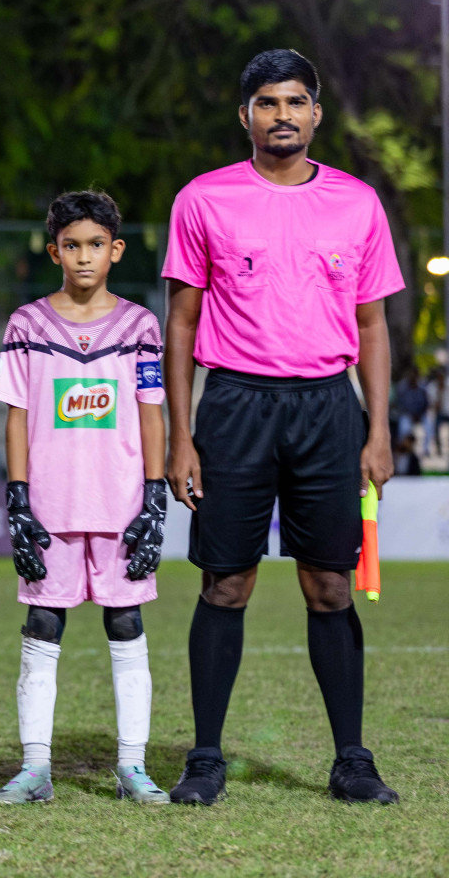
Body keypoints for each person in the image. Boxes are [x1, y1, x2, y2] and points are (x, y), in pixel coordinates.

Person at [163, 49, 405, 806]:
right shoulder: (204, 200)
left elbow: (373, 325)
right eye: (268, 103)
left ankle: (352, 761)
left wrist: (380, 429)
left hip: (329, 408)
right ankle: (205, 758)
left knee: (330, 584)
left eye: (296, 102)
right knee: (226, 583)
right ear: (246, 116)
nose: (283, 116)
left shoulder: (358, 203)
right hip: (235, 405)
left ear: (316, 114)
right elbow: (180, 324)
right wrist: (179, 436)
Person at [0, 190, 170, 806]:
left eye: (96, 245)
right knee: (43, 621)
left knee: (127, 622)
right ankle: (36, 768)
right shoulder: (28, 325)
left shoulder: (141, 325)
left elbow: (151, 414)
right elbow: (16, 417)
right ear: (54, 251)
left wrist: (154, 494)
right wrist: (17, 495)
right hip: (50, 507)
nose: (85, 257)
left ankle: (132, 766)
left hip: (119, 508)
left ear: (116, 250)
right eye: (72, 245)